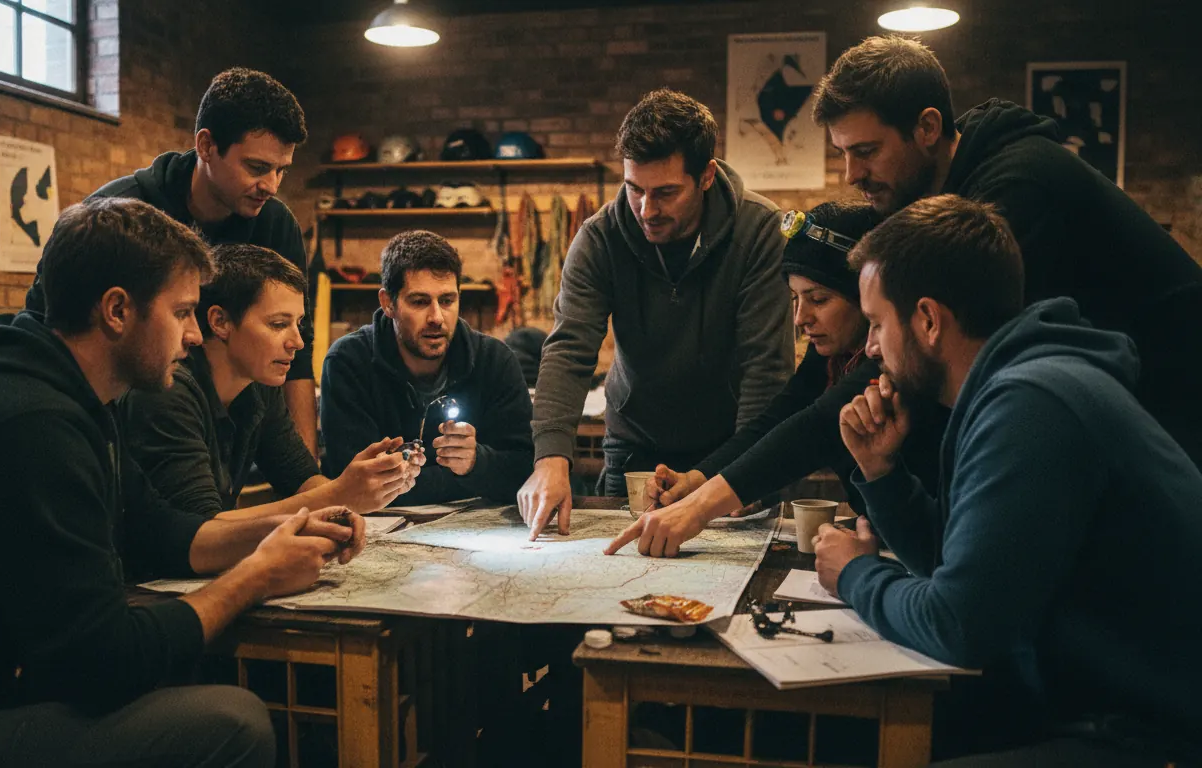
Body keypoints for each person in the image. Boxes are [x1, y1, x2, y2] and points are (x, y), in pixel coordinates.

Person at [0, 198, 367, 768]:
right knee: (234, 723)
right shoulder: (31, 423)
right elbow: (101, 663)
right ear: (118, 311)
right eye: (181, 313)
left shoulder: (80, 401)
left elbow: (157, 529)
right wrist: (254, 578)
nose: (196, 335)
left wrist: (283, 530)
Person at [815, 195, 1202, 766]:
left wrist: (854, 574)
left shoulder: (1031, 403)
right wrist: (883, 472)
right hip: (1095, 706)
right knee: (841, 743)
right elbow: (961, 571)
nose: (869, 347)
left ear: (927, 319)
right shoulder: (1021, 387)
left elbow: (957, 624)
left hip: (1153, 732)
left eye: (875, 323)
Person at [811, 35, 1202, 466]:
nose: (851, 174)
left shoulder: (1016, 189)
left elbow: (926, 358)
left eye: (865, 151)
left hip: (1175, 413)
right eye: (843, 153)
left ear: (927, 128)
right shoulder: (941, 189)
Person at [518, 88, 793, 539]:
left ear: (705, 176)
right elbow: (569, 349)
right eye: (634, 189)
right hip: (635, 448)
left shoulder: (759, 230)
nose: (647, 210)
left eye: (665, 193)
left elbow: (766, 370)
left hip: (733, 447)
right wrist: (550, 460)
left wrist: (740, 480)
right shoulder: (600, 238)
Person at [603, 202, 941, 558]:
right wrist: (698, 478)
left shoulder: (891, 360)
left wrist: (698, 508)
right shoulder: (835, 353)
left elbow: (812, 430)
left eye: (819, 299)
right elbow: (780, 416)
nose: (800, 318)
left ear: (864, 295)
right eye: (795, 298)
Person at [23, 67, 324, 454]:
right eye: (257, 167)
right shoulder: (120, 214)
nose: (271, 185)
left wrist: (309, 472)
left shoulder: (276, 225)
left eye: (281, 170)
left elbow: (299, 352)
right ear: (206, 145)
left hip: (214, 434)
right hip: (115, 434)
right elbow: (48, 326)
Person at [120, 243, 420, 521]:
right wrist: (340, 494)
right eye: (278, 324)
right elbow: (202, 530)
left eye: (298, 324)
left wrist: (372, 488)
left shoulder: (259, 384)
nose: (298, 342)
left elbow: (301, 479)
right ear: (220, 322)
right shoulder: (167, 391)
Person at [320, 230, 533, 504]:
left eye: (447, 301)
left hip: (477, 533)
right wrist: (473, 478)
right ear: (388, 303)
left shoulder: (495, 361)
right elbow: (357, 484)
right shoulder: (348, 363)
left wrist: (475, 462)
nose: (436, 317)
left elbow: (526, 470)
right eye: (420, 302)